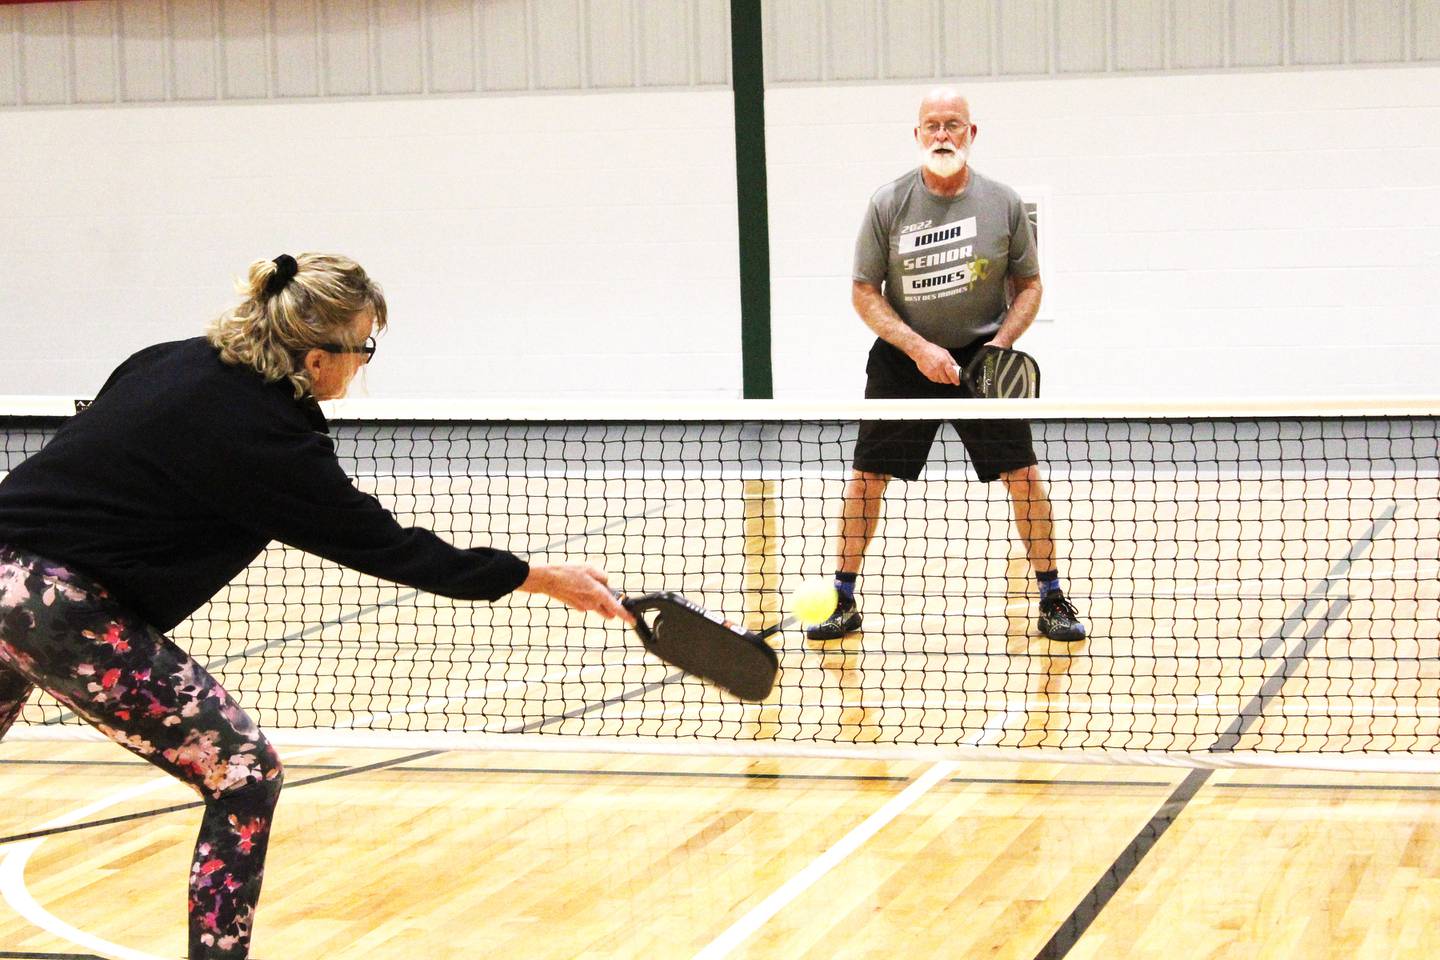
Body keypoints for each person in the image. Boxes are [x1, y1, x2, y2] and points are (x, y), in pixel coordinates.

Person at [0, 253, 632, 959]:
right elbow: (388, 547)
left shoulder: (163, 360)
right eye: (363, 348)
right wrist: (538, 577)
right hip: (55, 608)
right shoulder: (268, 439)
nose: (364, 362)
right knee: (244, 773)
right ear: (315, 357)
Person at [807, 89, 1086, 644]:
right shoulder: (888, 203)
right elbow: (865, 293)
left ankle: (1053, 597)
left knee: (1024, 478)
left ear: (971, 134)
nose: (942, 135)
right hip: (905, 361)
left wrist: (1000, 346)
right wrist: (918, 349)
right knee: (866, 480)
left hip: (983, 362)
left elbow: (1029, 287)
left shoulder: (1002, 203)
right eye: (931, 125)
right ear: (916, 135)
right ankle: (842, 597)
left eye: (952, 125)